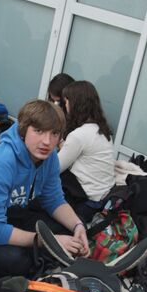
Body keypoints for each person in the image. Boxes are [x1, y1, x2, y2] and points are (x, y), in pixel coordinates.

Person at [0, 99, 89, 278]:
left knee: (71, 228)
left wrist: (78, 226)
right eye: (38, 131)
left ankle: (47, 259)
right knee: (16, 261)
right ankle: (41, 262)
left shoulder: (49, 158)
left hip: (7, 213)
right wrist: (48, 241)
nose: (47, 141)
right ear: (23, 130)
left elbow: (54, 200)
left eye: (54, 134)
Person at [58, 79, 115, 221]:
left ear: (75, 104)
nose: (65, 105)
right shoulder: (101, 129)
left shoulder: (79, 135)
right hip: (103, 197)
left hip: (86, 202)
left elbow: (55, 167)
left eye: (66, 101)